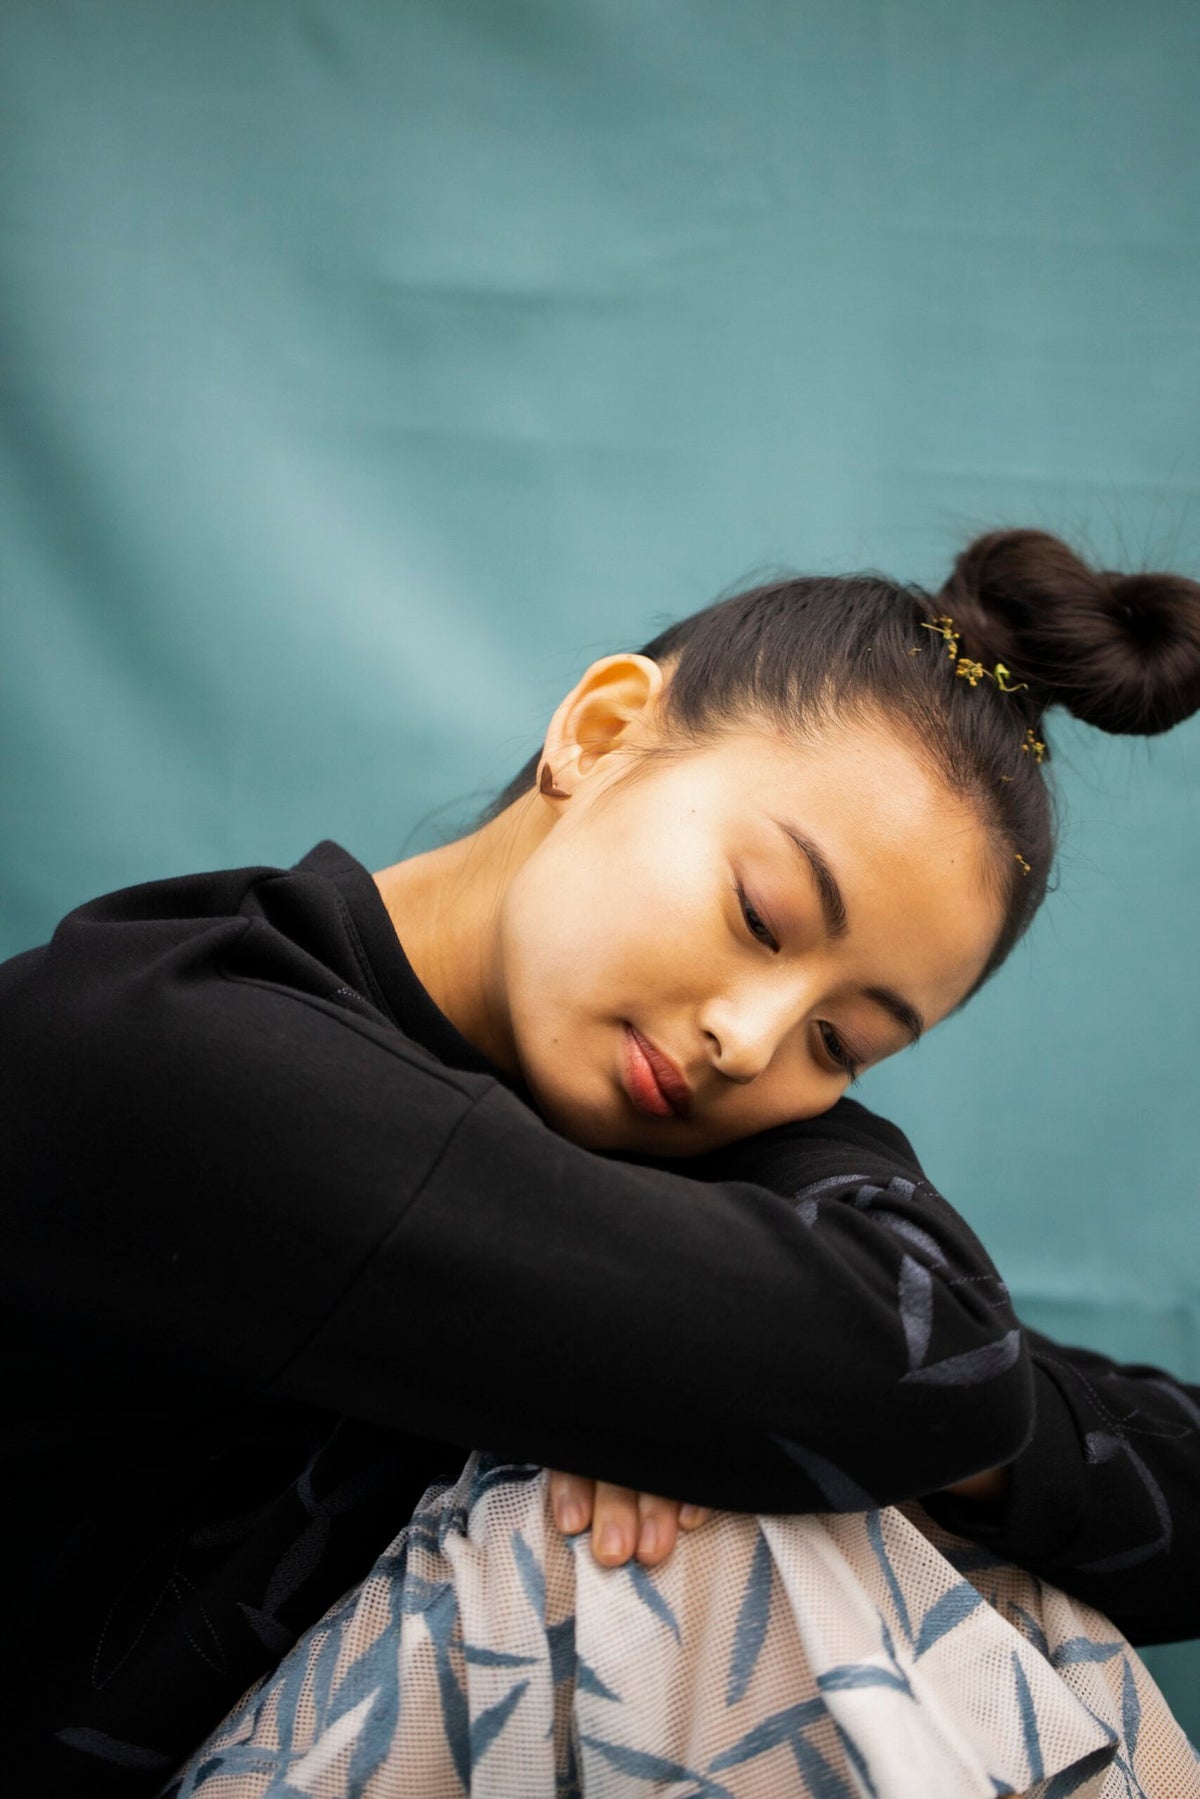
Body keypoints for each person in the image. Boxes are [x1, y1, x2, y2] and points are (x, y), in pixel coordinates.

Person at [3, 530, 1199, 1793]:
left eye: (841, 1041)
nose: (748, 1039)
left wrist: (701, 1388)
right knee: (715, 1541)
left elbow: (1113, 1441)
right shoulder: (175, 1048)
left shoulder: (614, 1142)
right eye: (761, 916)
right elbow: (925, 1364)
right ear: (603, 727)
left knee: (942, 1551)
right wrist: (724, 1394)